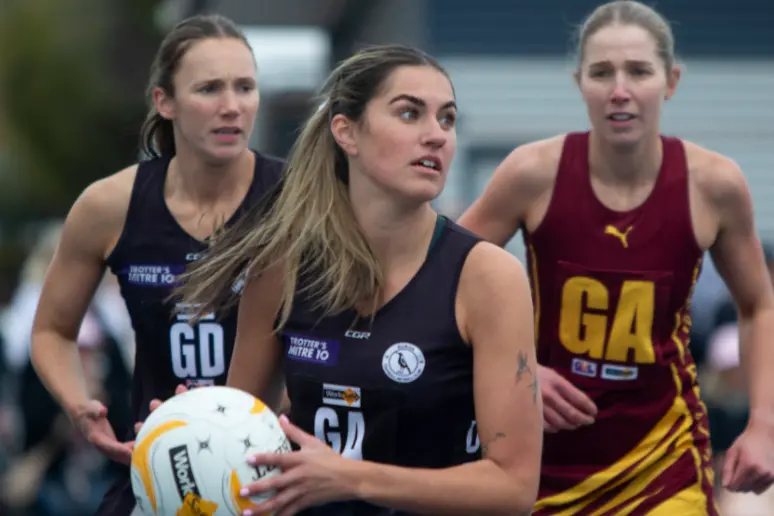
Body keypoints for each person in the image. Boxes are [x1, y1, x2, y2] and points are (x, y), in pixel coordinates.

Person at [170, 44, 542, 515]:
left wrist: (351, 477)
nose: (436, 136)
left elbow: (513, 490)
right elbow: (239, 448)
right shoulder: (280, 270)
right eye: (410, 113)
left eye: (446, 120)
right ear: (346, 132)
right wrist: (183, 435)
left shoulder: (486, 277)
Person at [458, 1, 774, 514]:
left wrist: (763, 426)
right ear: (579, 81)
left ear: (670, 81)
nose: (620, 90)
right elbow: (437, 283)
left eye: (639, 71)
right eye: (601, 72)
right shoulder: (532, 173)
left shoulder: (713, 184)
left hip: (663, 457)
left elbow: (759, 306)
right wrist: (522, 370)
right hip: (541, 460)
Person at [29, 13, 284, 516]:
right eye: (209, 89)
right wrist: (81, 408)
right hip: (161, 469)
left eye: (245, 88)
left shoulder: (300, 200)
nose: (232, 107)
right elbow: (51, 331)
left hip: (273, 474)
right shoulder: (109, 206)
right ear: (164, 102)